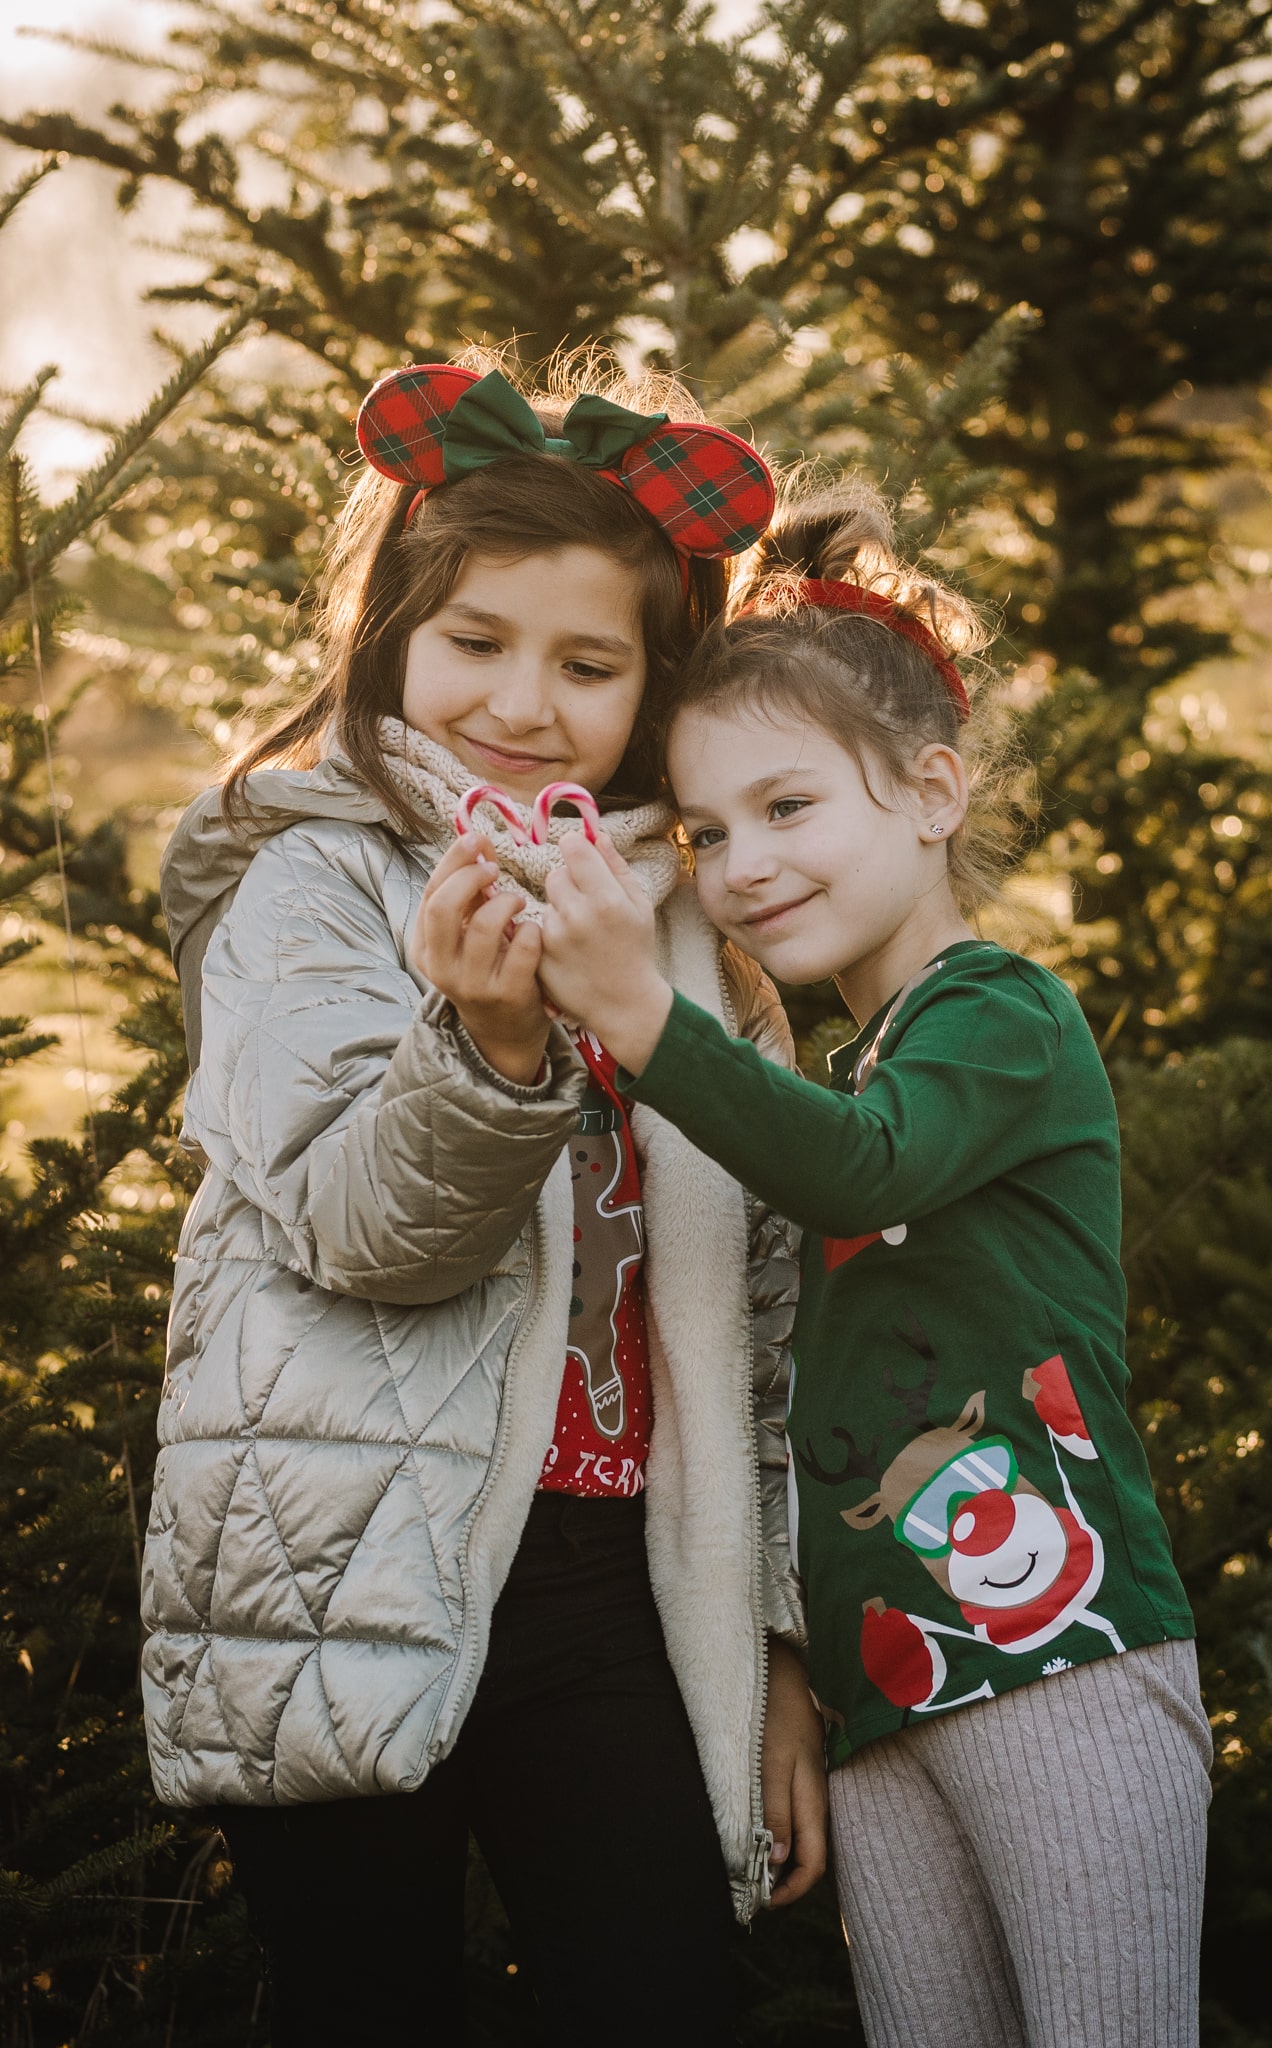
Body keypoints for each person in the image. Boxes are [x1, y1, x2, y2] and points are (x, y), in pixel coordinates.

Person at [143, 351, 827, 2048]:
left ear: (649, 689)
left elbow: (764, 1323)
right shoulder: (307, 883)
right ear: (391, 640)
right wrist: (493, 1046)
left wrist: (780, 1647)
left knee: (658, 1996)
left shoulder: (688, 932)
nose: (522, 705)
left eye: (586, 664)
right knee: (364, 2004)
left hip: (604, 1576)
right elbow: (369, 1231)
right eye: (476, 643)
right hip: (336, 1556)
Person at [531, 485, 1213, 2048]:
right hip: (884, 1696)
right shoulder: (843, 1069)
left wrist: (643, 1017)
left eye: (787, 808)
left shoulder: (1000, 1016)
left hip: (1063, 1655)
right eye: (704, 833)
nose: (739, 867)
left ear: (929, 791)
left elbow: (865, 1168)